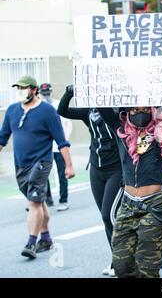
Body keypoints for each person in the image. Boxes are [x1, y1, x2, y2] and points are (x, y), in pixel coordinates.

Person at [98, 105, 162, 278]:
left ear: (152, 110)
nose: (140, 114)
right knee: (122, 266)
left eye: (145, 109)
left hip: (155, 206)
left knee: (147, 268)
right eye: (134, 110)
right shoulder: (120, 129)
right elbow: (101, 104)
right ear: (126, 112)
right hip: (127, 205)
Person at [0, 75, 75, 259]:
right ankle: (46, 238)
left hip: (41, 163)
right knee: (39, 202)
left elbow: (61, 141)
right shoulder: (11, 111)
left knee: (33, 203)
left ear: (34, 90)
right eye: (18, 88)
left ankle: (31, 243)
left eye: (24, 88)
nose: (20, 91)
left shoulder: (48, 111)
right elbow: (2, 138)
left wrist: (69, 166)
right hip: (21, 165)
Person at [57, 84, 123, 277]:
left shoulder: (116, 111)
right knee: (108, 218)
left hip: (116, 169)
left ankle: (119, 261)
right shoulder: (89, 111)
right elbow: (63, 111)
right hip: (96, 169)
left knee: (108, 215)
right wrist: (69, 92)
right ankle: (118, 258)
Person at [39, 83, 73, 211]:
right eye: (44, 93)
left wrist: (65, 139)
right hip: (44, 147)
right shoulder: (39, 107)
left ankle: (63, 200)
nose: (46, 95)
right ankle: (47, 198)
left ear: (51, 92)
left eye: (47, 92)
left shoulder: (58, 104)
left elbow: (68, 123)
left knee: (62, 173)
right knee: (42, 174)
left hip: (59, 147)